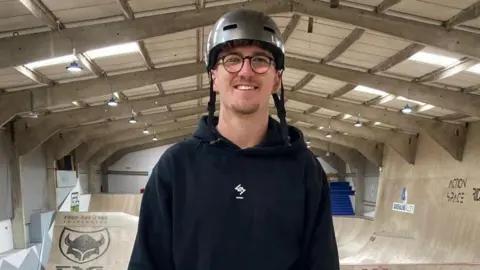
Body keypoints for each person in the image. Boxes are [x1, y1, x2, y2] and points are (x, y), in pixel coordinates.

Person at [127, 9, 339, 270]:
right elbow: (147, 262)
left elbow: (322, 263)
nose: (246, 72)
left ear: (277, 79)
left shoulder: (305, 170)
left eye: (260, 60)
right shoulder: (176, 166)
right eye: (232, 59)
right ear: (214, 76)